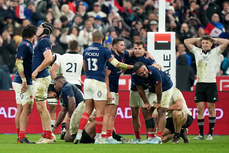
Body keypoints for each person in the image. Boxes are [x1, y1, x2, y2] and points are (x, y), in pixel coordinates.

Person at [74, 31, 133, 144]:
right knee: (100, 112)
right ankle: (99, 138)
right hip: (98, 82)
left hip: (87, 80)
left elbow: (85, 67)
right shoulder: (105, 50)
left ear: (92, 38)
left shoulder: (86, 50)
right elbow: (117, 64)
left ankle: (78, 135)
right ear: (102, 38)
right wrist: (132, 66)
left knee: (87, 110)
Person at [184, 36, 229, 140]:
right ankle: (201, 134)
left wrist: (214, 38)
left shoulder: (215, 52)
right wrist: (199, 39)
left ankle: (210, 134)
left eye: (206, 43)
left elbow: (227, 41)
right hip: (199, 83)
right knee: (200, 109)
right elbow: (186, 41)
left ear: (211, 44)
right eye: (203, 43)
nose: (204, 44)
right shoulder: (197, 51)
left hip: (211, 83)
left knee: (210, 108)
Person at [132, 62, 174, 144]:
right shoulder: (134, 76)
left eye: (144, 70)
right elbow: (140, 89)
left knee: (161, 110)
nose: (144, 73)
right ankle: (150, 136)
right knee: (146, 110)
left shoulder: (154, 71)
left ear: (145, 66)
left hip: (165, 88)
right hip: (152, 89)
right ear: (137, 74)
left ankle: (158, 137)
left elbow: (159, 88)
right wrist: (146, 102)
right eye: (141, 73)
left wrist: (158, 102)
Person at [127, 41, 160, 144]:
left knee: (147, 114)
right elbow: (124, 51)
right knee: (134, 115)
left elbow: (156, 66)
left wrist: (156, 64)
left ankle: (149, 136)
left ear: (143, 49)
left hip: (145, 90)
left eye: (140, 48)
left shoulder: (147, 59)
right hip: (133, 89)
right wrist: (140, 51)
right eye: (135, 48)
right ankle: (137, 138)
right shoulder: (130, 57)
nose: (137, 51)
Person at [50, 40, 83, 139]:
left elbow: (52, 70)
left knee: (65, 108)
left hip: (65, 85)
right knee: (76, 109)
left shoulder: (62, 57)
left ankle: (64, 127)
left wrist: (57, 81)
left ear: (68, 47)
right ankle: (68, 128)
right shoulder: (81, 57)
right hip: (77, 85)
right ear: (78, 48)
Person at [101, 38, 130, 144]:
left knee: (113, 114)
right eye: (121, 45)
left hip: (116, 88)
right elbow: (106, 75)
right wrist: (108, 91)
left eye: (124, 44)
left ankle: (109, 135)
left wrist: (146, 52)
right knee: (107, 113)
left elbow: (130, 52)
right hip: (110, 89)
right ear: (115, 47)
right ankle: (104, 136)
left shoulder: (121, 56)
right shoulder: (111, 58)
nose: (124, 47)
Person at [12, 24, 37, 144]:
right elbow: (18, 63)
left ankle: (19, 136)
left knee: (21, 108)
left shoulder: (25, 44)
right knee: (27, 108)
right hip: (23, 81)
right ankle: (21, 136)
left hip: (20, 80)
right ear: (33, 35)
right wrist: (24, 79)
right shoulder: (25, 45)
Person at [32, 21, 55, 144]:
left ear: (45, 30)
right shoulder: (41, 41)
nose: (38, 28)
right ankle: (47, 134)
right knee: (41, 107)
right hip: (40, 77)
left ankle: (48, 136)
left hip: (41, 77)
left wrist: (36, 71)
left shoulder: (44, 41)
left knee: (42, 108)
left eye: (40, 27)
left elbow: (48, 58)